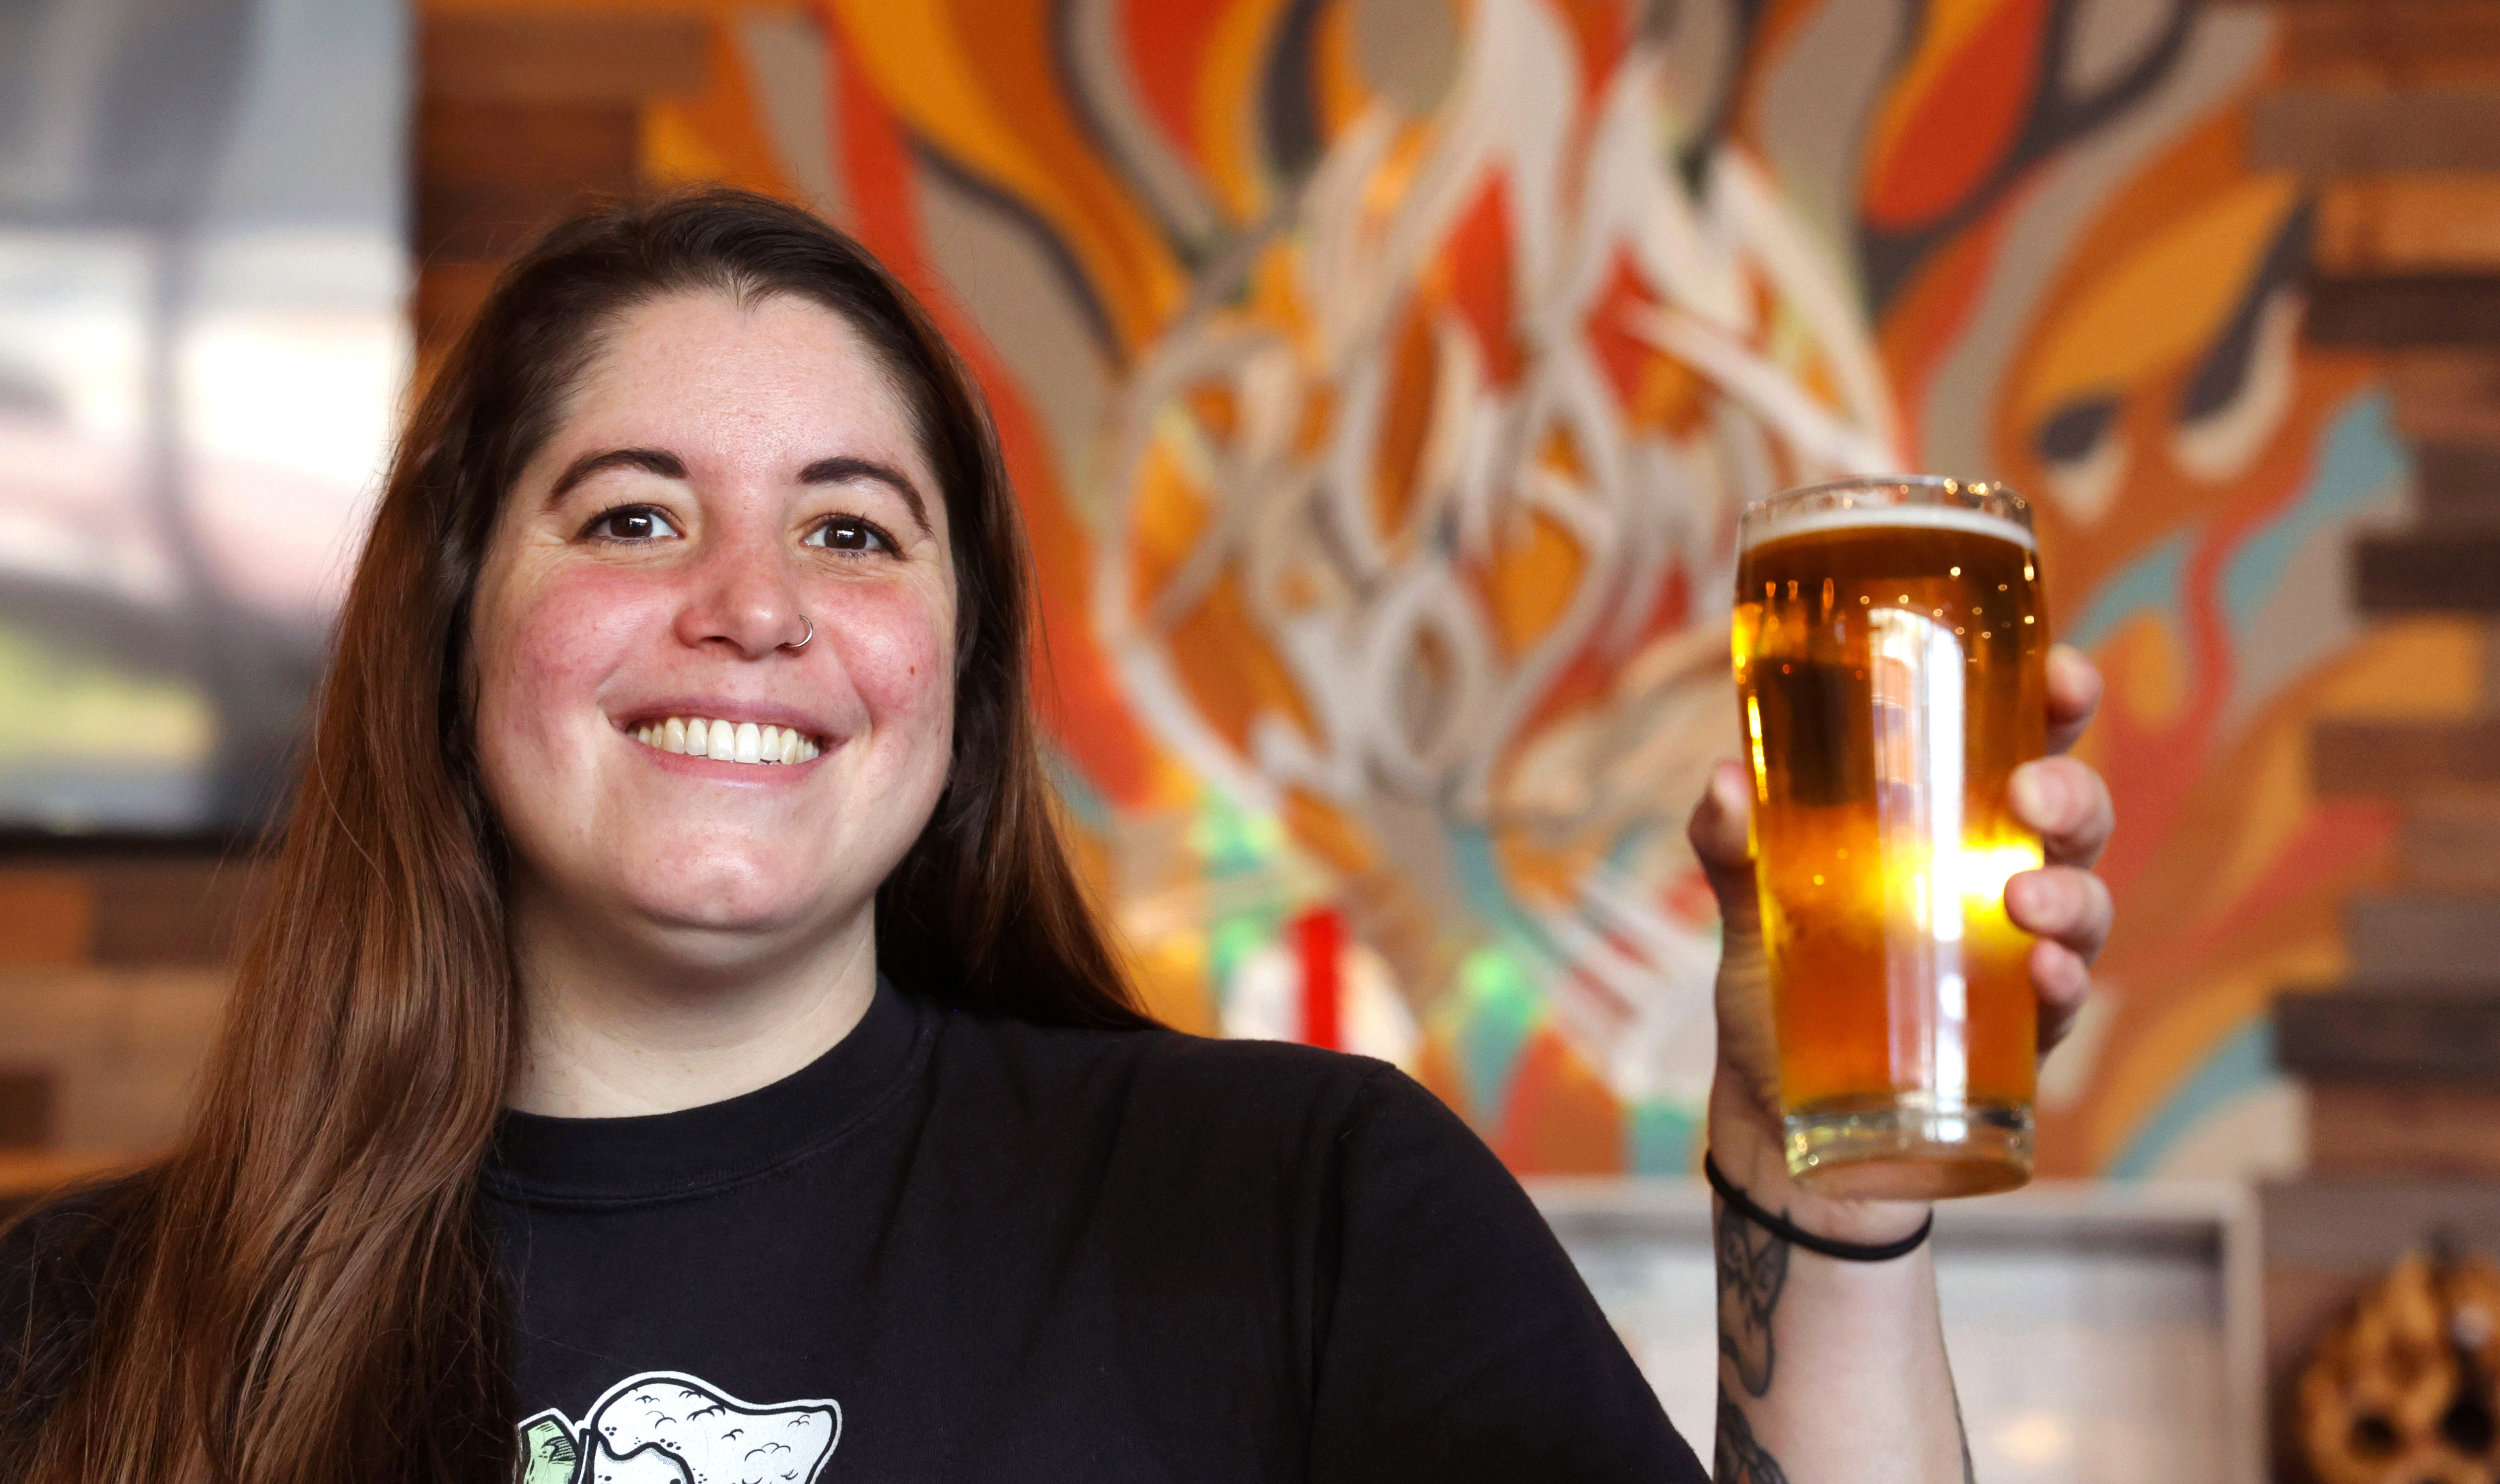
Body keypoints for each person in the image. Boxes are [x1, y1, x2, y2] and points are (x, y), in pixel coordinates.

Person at [0, 190, 2112, 1484]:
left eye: (852, 528)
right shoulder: (86, 1329)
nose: (753, 601)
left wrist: (1816, 1192)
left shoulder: (1298, 1208)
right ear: (454, 630)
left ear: (952, 673)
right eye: (633, 514)